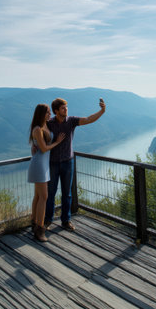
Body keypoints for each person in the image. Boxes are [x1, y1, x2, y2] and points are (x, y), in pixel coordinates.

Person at [44, 97, 106, 231]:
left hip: (68, 161)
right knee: (50, 194)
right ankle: (47, 220)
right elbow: (37, 129)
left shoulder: (71, 121)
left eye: (66, 107)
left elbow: (88, 119)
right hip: (53, 163)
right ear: (56, 111)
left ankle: (66, 221)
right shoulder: (49, 123)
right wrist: (34, 145)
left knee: (67, 194)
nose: (66, 109)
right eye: (63, 108)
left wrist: (102, 111)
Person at [28, 104, 65, 242]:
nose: (50, 114)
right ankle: (40, 229)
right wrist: (57, 142)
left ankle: (34, 223)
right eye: (47, 112)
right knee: (44, 196)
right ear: (41, 114)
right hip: (39, 165)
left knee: (38, 197)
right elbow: (43, 149)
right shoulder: (38, 129)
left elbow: (39, 144)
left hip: (43, 165)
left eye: (50, 112)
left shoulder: (45, 126)